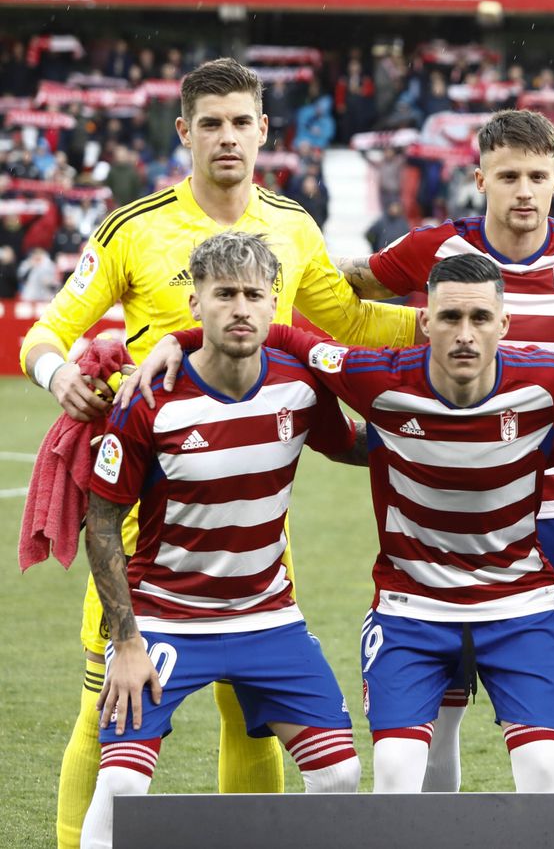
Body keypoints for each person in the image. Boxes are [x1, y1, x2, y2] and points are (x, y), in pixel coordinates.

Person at [21, 57, 415, 849]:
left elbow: (353, 326)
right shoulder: (134, 229)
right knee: (106, 704)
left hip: (253, 517)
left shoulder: (294, 228)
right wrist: (62, 377)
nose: (228, 137)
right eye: (211, 124)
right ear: (185, 133)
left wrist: (445, 328)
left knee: (255, 713)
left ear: (265, 129)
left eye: (242, 122)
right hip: (141, 511)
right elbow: (45, 333)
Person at [134, 254, 554, 793]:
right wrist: (183, 341)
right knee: (396, 776)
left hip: (517, 606)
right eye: (449, 318)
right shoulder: (375, 377)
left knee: (543, 771)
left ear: (504, 324)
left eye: (480, 319)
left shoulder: (548, 376)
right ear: (425, 322)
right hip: (411, 611)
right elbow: (277, 333)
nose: (464, 334)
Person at [337, 108, 554, 792]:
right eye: (508, 176)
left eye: (538, 176)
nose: (524, 191)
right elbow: (349, 287)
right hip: (446, 495)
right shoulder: (435, 248)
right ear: (481, 177)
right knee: (440, 708)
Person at [81, 233, 364, 849]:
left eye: (254, 295)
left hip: (268, 617)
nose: (240, 308)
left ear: (274, 304)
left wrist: (454, 425)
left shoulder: (300, 384)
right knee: (123, 790)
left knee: (341, 775)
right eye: (224, 294)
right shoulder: (147, 400)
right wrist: (125, 643)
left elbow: (356, 447)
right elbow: (100, 522)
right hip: (164, 618)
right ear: (195, 304)